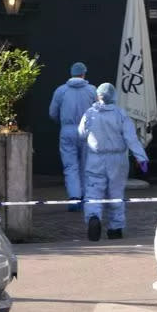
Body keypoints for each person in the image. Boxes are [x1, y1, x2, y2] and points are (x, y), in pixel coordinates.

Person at [78, 82, 149, 241]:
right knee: (116, 193)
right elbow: (131, 139)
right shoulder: (120, 114)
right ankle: (115, 228)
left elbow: (81, 133)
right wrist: (141, 158)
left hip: (95, 158)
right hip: (117, 160)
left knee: (93, 192)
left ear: (98, 95)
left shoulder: (90, 113)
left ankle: (93, 217)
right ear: (114, 96)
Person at [49, 62, 97, 211]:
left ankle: (74, 198)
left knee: (70, 166)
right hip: (87, 132)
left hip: (67, 131)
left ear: (71, 73)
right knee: (86, 165)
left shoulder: (61, 91)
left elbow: (52, 113)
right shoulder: (92, 90)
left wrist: (63, 123)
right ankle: (85, 197)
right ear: (84, 74)